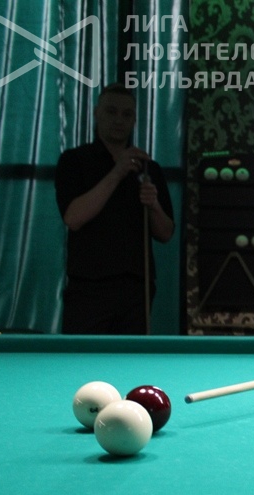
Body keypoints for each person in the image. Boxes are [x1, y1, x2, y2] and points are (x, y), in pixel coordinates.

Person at [55, 83, 175, 334]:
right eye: (111, 112)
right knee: (82, 355)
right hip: (88, 288)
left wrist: (153, 205)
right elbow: (74, 218)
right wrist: (118, 172)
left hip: (137, 289)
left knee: (132, 357)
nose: (119, 120)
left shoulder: (149, 168)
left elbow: (165, 233)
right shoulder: (74, 161)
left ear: (134, 120)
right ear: (96, 113)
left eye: (127, 114)